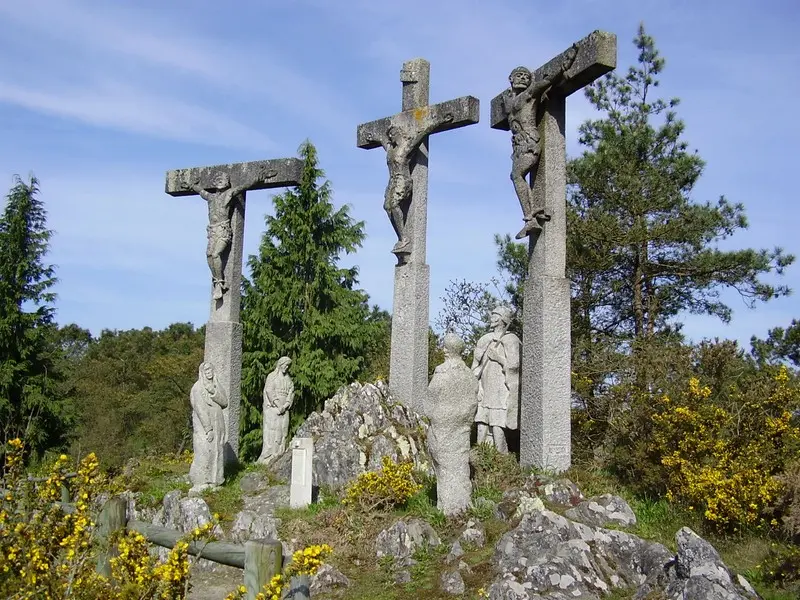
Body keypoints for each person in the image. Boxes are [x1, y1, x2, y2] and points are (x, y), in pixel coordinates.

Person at [505, 45, 578, 239]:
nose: (522, 78)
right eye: (518, 75)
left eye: (525, 76)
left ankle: (530, 218)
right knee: (515, 176)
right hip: (518, 146)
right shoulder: (507, 103)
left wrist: (564, 65)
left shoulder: (529, 95)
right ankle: (531, 215)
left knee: (516, 175)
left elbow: (546, 80)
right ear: (510, 79)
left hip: (530, 141)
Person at [188, 169, 276, 300]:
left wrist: (257, 179)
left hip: (223, 230)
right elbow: (201, 191)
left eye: (222, 179)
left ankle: (219, 283)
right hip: (212, 230)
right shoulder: (211, 197)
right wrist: (191, 185)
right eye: (217, 179)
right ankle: (217, 279)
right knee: (209, 255)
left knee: (216, 254)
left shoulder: (229, 194)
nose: (219, 181)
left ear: (227, 182)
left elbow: (243, 187)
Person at [373, 113, 454, 256]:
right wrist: (376, 137)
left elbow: (423, 132)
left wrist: (440, 120)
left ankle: (404, 239)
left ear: (398, 133)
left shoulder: (406, 146)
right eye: (389, 136)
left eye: (392, 134)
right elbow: (383, 142)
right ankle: (402, 237)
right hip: (392, 181)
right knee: (387, 207)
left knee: (393, 205)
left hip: (403, 181)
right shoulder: (391, 152)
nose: (390, 138)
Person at [426, 333, 478, 516]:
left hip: (442, 428)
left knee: (445, 468)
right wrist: (465, 420)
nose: (443, 350)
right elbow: (473, 403)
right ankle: (461, 505)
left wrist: (436, 416)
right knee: (459, 466)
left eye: (444, 348)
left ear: (447, 351)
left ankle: (448, 508)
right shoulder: (469, 375)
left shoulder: (442, 374)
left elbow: (430, 400)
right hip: (461, 429)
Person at [471, 306, 521, 453]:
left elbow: (514, 366)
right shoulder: (484, 339)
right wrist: (478, 387)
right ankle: (481, 456)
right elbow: (475, 368)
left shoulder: (511, 340)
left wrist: (498, 358)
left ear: (501, 319)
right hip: (485, 390)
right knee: (481, 427)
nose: (491, 318)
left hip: (501, 391)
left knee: (498, 428)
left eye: (494, 315)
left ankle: (499, 460)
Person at [189, 362, 228, 492]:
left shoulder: (216, 385)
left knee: (217, 451)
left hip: (218, 423)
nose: (209, 372)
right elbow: (200, 409)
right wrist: (208, 429)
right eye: (206, 370)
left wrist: (213, 392)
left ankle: (214, 481)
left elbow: (224, 402)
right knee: (204, 451)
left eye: (210, 369)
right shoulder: (197, 388)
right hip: (204, 426)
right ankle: (200, 481)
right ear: (202, 372)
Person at [258, 356, 295, 464]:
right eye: (285, 365)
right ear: (280, 365)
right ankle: (268, 455)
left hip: (284, 410)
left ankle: (279, 454)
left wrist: (286, 405)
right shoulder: (272, 377)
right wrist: (278, 405)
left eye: (288, 366)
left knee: (282, 431)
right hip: (274, 409)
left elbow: (291, 393)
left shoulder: (289, 380)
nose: (286, 367)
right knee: (272, 431)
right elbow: (269, 391)